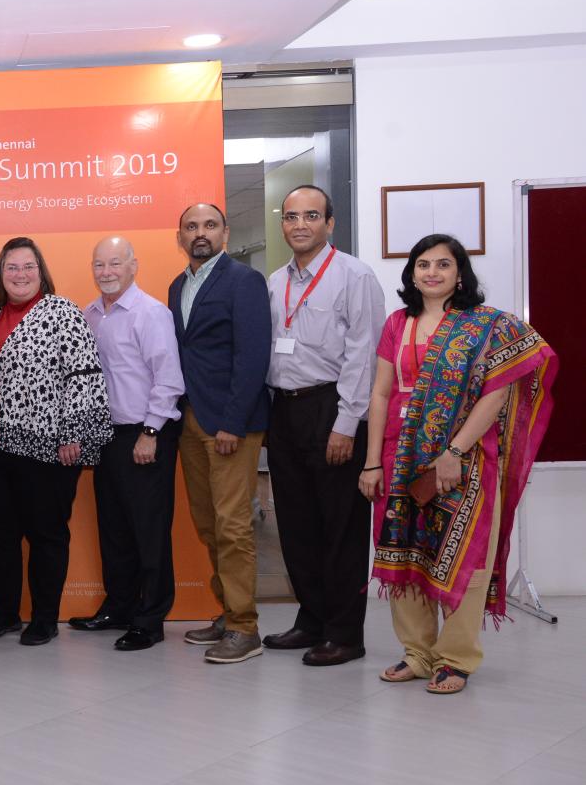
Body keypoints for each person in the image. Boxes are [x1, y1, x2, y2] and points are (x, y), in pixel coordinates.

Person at [360, 235, 555, 694]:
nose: (431, 272)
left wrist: (454, 452)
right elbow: (381, 394)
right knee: (402, 553)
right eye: (422, 264)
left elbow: (497, 394)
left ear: (460, 273)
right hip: (401, 452)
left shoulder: (487, 326)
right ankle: (418, 653)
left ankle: (455, 658)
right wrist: (372, 462)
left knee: (467, 553)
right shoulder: (397, 323)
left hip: (465, 456)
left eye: (442, 265)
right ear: (411, 273)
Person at [263, 186, 385, 666]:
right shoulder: (275, 282)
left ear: (329, 223)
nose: (300, 225)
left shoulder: (354, 276)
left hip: (333, 406)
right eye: (291, 216)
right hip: (285, 410)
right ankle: (311, 619)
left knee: (341, 527)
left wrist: (346, 423)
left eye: (311, 216)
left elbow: (364, 354)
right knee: (296, 525)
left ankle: (345, 633)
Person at [0, 238, 112, 646]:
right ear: (1, 273)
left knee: (46, 534)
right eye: (12, 267)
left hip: (49, 449)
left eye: (28, 267)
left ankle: (45, 617)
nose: (20, 274)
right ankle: (4, 612)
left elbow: (84, 376)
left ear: (41, 271)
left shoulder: (62, 312)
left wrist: (74, 433)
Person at [169, 203, 272, 664]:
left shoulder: (243, 281)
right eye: (192, 227)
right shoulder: (178, 286)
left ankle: (245, 627)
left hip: (231, 423)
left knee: (233, 526)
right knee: (209, 524)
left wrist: (233, 421)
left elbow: (252, 356)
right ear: (180, 236)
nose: (201, 233)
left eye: (209, 225)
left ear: (225, 232)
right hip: (191, 419)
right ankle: (227, 612)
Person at [81, 236, 186, 650]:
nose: (107, 272)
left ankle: (150, 618)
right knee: (115, 529)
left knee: (149, 531)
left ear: (133, 266)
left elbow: (169, 378)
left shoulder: (150, 313)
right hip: (105, 437)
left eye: (115, 264)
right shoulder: (91, 314)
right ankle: (119, 606)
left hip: (144, 434)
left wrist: (151, 432)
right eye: (99, 265)